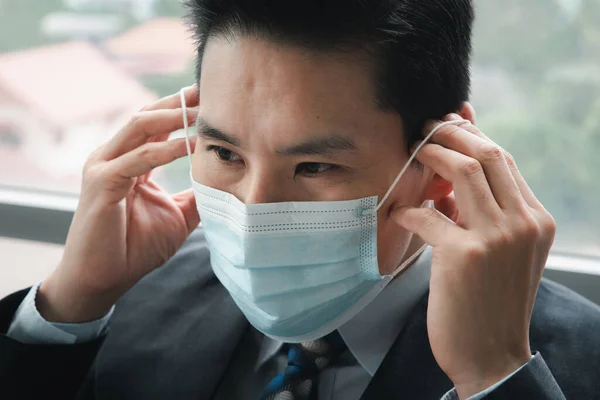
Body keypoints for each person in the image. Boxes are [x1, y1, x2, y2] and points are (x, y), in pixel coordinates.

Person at [1, 0, 599, 399]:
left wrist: (494, 376)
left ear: (445, 158)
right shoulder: (123, 296)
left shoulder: (577, 361)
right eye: (225, 154)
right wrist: (70, 305)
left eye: (314, 165)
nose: (254, 211)